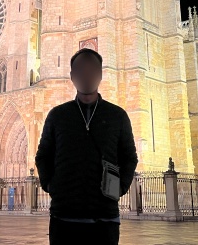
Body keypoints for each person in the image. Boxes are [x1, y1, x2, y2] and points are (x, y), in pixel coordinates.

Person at [35, 48, 138, 245]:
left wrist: (119, 188)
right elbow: (43, 155)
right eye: (81, 70)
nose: (86, 75)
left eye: (91, 70)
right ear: (72, 76)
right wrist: (51, 185)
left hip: (105, 219)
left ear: (100, 74)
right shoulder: (58, 115)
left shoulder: (117, 116)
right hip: (64, 218)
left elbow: (129, 157)